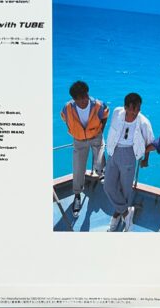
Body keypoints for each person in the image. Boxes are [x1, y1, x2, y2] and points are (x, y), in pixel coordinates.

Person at [104, 93, 154, 232]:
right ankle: (126, 213)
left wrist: (145, 159)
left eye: (137, 109)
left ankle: (116, 215)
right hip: (113, 151)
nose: (134, 113)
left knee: (125, 190)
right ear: (125, 107)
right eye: (132, 109)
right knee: (108, 186)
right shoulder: (116, 112)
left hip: (129, 154)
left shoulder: (143, 122)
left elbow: (149, 142)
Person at [61, 81, 109, 217]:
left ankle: (101, 172)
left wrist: (100, 131)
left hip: (96, 136)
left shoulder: (99, 105)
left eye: (85, 96)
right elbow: (64, 118)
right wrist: (76, 131)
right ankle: (77, 195)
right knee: (78, 168)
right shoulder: (67, 108)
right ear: (74, 99)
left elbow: (105, 116)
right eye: (80, 98)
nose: (84, 100)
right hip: (79, 141)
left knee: (99, 158)